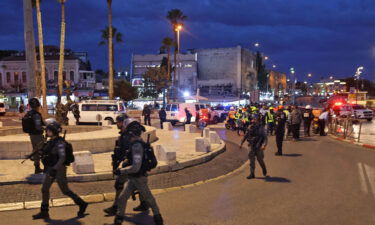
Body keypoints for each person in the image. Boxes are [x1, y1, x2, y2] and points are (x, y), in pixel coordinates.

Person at [109, 118, 164, 225]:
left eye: (129, 133)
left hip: (139, 178)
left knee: (149, 199)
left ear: (132, 133)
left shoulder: (137, 146)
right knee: (122, 198)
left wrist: (121, 171)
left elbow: (136, 167)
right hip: (133, 178)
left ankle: (158, 219)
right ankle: (118, 221)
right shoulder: (136, 144)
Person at [32, 119, 88, 220]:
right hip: (50, 168)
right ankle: (44, 211)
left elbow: (62, 158)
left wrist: (54, 169)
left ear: (53, 131)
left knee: (65, 190)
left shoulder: (60, 143)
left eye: (48, 130)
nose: (46, 132)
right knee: (44, 189)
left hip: (59, 169)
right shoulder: (50, 141)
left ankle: (82, 203)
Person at [104, 114, 149, 216]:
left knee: (119, 184)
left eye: (119, 122)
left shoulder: (129, 136)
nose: (117, 124)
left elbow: (130, 152)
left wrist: (123, 163)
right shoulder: (125, 135)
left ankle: (116, 207)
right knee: (139, 184)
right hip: (131, 164)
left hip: (129, 165)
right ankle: (144, 203)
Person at [26, 98, 45, 174]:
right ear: (37, 105)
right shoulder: (36, 115)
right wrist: (44, 128)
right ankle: (45, 167)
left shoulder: (29, 113)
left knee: (36, 151)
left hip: (32, 135)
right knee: (42, 151)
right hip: (38, 135)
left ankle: (37, 168)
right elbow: (38, 126)